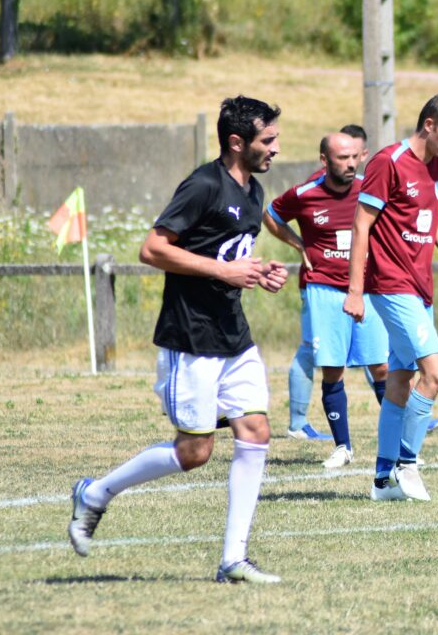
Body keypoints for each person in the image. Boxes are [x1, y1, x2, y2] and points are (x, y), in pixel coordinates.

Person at [68, 96, 289, 584]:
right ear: (237, 143)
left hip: (234, 336)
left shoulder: (253, 192)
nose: (276, 147)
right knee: (195, 452)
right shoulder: (204, 184)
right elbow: (152, 249)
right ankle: (95, 493)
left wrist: (259, 271)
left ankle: (234, 559)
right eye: (267, 140)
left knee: (255, 430)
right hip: (191, 337)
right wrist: (223, 270)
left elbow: (232, 254)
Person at [343, 94, 438, 502]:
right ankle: (408, 463)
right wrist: (355, 291)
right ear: (428, 124)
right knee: (437, 373)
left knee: (401, 380)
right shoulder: (387, 163)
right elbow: (361, 227)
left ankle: (381, 480)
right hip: (390, 285)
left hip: (421, 287)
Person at [263, 131, 389, 468]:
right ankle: (343, 447)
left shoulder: (370, 190)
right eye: (342, 158)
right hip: (323, 289)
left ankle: (403, 446)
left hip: (366, 289)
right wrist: (298, 244)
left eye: (354, 157)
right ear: (324, 160)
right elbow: (271, 216)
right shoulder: (305, 194)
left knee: (382, 366)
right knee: (332, 370)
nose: (350, 164)